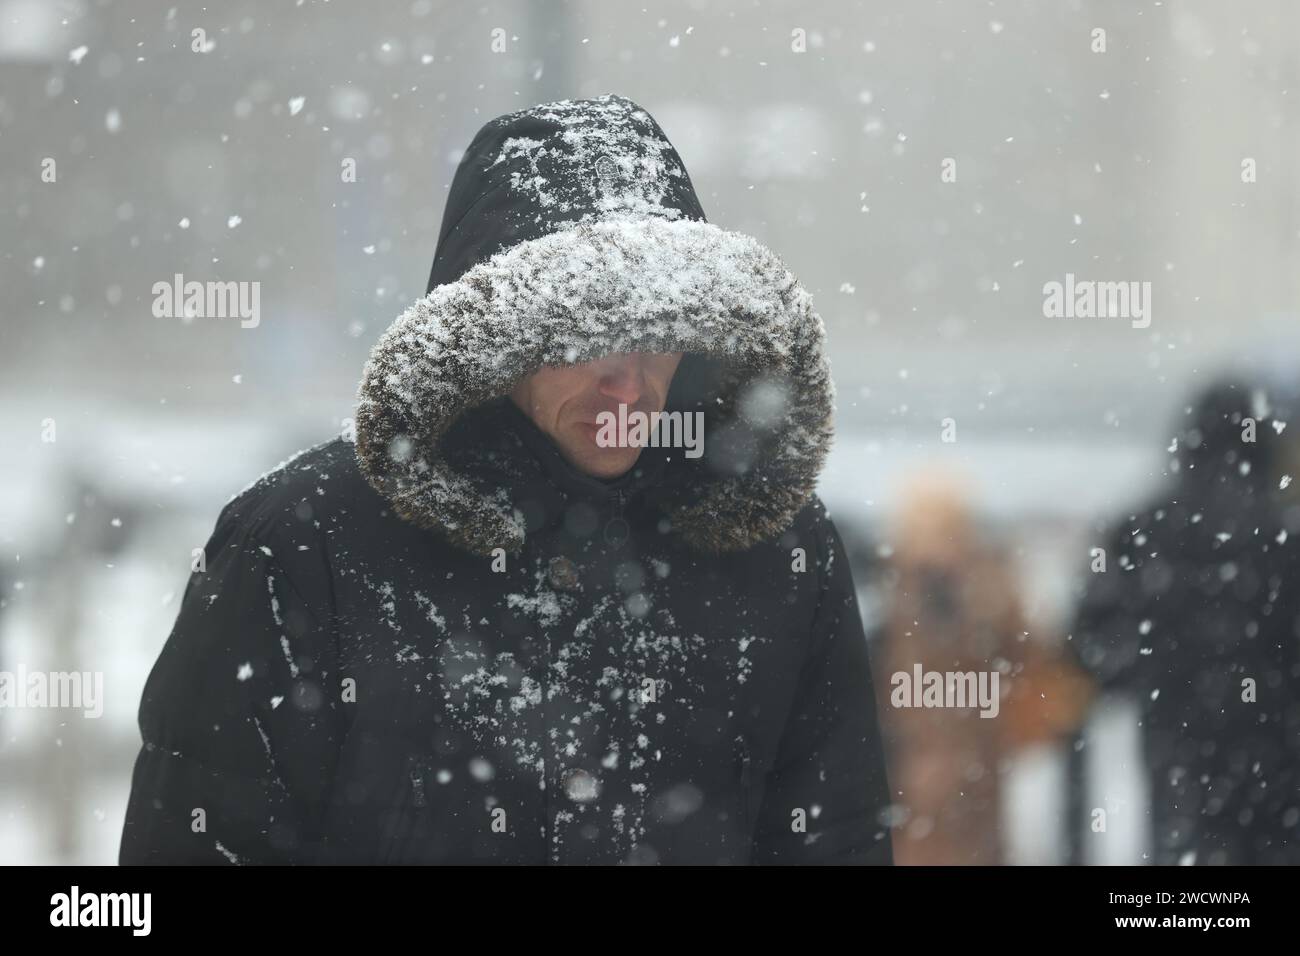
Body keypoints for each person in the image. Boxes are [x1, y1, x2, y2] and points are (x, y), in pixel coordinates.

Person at [119, 94, 894, 865]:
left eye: (658, 336)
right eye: (587, 340)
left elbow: (838, 839)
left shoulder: (782, 551)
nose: (628, 387)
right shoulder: (303, 545)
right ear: (495, 349)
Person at [1071, 379, 1300, 864]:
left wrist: (1153, 677)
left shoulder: (1142, 529)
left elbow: (1092, 643)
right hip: (1281, 762)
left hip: (1178, 754)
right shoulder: (1284, 535)